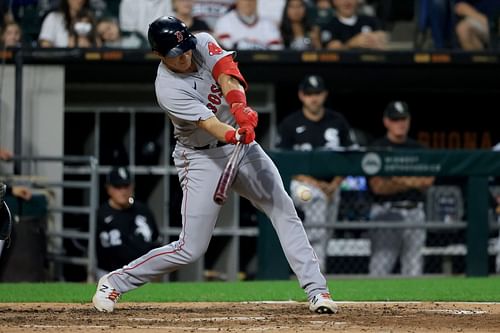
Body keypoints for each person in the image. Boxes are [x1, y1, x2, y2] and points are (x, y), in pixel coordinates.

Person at [92, 16, 337, 315]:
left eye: (185, 49)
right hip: (199, 157)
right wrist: (235, 131)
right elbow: (209, 123)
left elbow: (227, 75)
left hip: (243, 147)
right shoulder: (167, 88)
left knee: (282, 207)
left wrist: (240, 109)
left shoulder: (203, 42)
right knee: (190, 248)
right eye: (174, 54)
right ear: (158, 54)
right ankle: (115, 281)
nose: (183, 57)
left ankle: (317, 290)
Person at [276, 74, 358, 272]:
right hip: (301, 185)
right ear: (301, 96)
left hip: (332, 186)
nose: (314, 98)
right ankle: (315, 273)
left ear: (325, 95)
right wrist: (314, 182)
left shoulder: (337, 121)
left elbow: (351, 157)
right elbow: (282, 162)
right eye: (309, 93)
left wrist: (335, 183)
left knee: (326, 231)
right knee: (316, 206)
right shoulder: (290, 123)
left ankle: (317, 270)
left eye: (317, 93)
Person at [367, 101, 434, 276]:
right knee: (380, 265)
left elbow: (427, 182)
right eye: (395, 119)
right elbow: (378, 187)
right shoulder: (377, 148)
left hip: (415, 212)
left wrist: (395, 179)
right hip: (385, 212)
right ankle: (372, 304)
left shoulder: (419, 148)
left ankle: (408, 305)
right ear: (386, 122)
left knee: (414, 266)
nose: (401, 123)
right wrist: (412, 181)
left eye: (403, 119)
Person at [95, 166, 160, 279]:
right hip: (109, 274)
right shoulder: (101, 214)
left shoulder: (143, 210)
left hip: (143, 274)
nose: (123, 191)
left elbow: (156, 242)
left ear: (132, 186)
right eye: (118, 186)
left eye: (126, 186)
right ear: (108, 189)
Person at [214, 0, 283, 50]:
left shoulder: (268, 24)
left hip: (264, 67)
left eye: (252, 0)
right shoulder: (225, 21)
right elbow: (228, 51)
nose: (248, 2)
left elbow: (276, 51)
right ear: (237, 1)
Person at [320, 0, 388, 50]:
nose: (347, 2)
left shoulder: (370, 21)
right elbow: (332, 51)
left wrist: (378, 40)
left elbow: (384, 40)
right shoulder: (328, 25)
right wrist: (351, 44)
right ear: (334, 1)